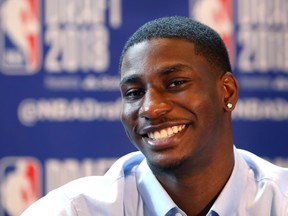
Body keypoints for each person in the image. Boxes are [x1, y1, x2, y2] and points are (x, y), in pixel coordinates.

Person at [21, 16, 288, 216]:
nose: (150, 108)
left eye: (175, 84)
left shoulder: (281, 200)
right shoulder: (73, 210)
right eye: (134, 92)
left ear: (226, 92)